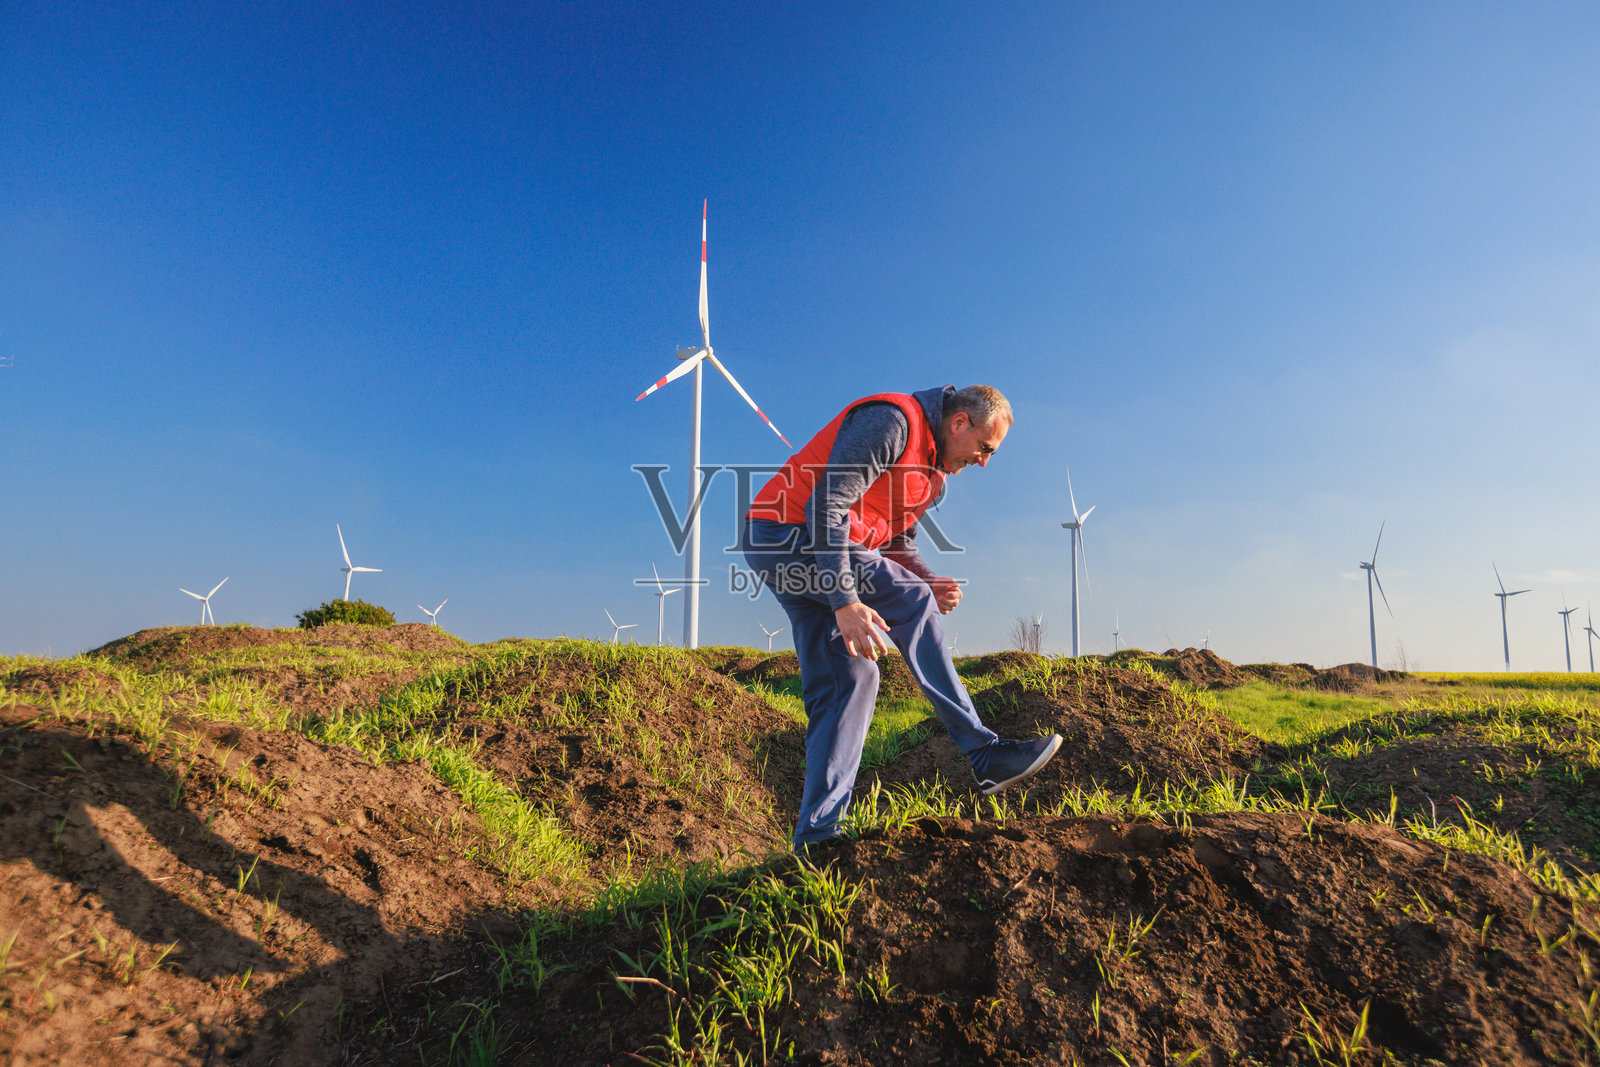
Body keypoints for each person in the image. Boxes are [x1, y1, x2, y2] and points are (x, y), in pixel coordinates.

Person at [741, 384, 1062, 850]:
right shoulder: (892, 421)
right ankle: (983, 752)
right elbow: (825, 506)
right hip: (784, 536)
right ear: (959, 423)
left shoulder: (933, 479)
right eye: (985, 448)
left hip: (810, 554)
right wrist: (847, 601)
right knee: (910, 600)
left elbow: (897, 545)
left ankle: (816, 838)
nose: (985, 461)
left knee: (851, 681)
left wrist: (928, 579)